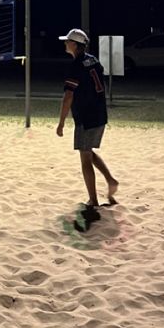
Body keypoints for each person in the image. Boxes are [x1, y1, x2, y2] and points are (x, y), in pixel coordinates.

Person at [56, 28, 118, 230]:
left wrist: (61, 122)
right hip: (100, 114)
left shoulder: (76, 66)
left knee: (84, 159)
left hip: (87, 117)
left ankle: (93, 200)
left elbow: (68, 97)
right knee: (88, 152)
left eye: (68, 41)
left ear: (75, 44)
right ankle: (110, 180)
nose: (65, 43)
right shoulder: (92, 59)